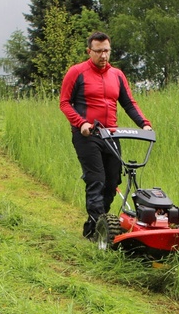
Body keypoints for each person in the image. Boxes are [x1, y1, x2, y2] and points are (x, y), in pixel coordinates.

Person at [60, 32, 152, 239]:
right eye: (99, 51)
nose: (103, 55)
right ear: (89, 51)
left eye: (107, 51)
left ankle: (96, 224)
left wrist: (144, 124)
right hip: (87, 135)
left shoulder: (117, 75)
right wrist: (80, 123)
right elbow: (64, 103)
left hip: (111, 135)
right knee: (96, 180)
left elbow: (128, 103)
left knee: (112, 181)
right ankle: (98, 231)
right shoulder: (77, 73)